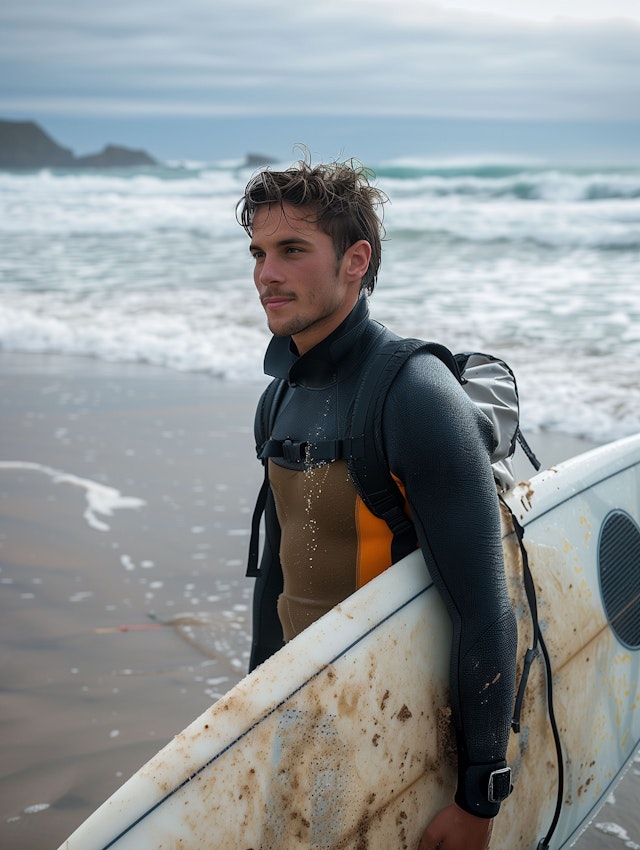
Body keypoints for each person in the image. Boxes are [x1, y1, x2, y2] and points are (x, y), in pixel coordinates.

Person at [236, 157, 518, 850]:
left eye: (292, 250)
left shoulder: (414, 396)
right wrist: (254, 715)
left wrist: (480, 795)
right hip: (309, 717)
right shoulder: (278, 398)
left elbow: (486, 609)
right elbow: (279, 576)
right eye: (259, 253)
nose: (266, 274)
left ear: (355, 261)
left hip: (400, 724)